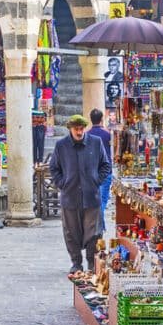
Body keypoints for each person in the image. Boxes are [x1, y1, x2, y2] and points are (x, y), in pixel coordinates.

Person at [49, 113, 111, 275]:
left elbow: (105, 165)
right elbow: (54, 168)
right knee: (71, 232)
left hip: (91, 197)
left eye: (81, 128)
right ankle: (76, 262)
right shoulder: (61, 146)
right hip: (70, 197)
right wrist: (62, 183)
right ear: (70, 129)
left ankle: (92, 262)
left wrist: (96, 180)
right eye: (76, 129)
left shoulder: (95, 143)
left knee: (94, 233)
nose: (79, 132)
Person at [87, 108, 112, 229]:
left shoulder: (86, 135)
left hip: (91, 171)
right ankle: (100, 226)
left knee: (95, 200)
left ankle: (98, 225)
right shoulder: (107, 134)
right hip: (105, 171)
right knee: (102, 200)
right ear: (102, 119)